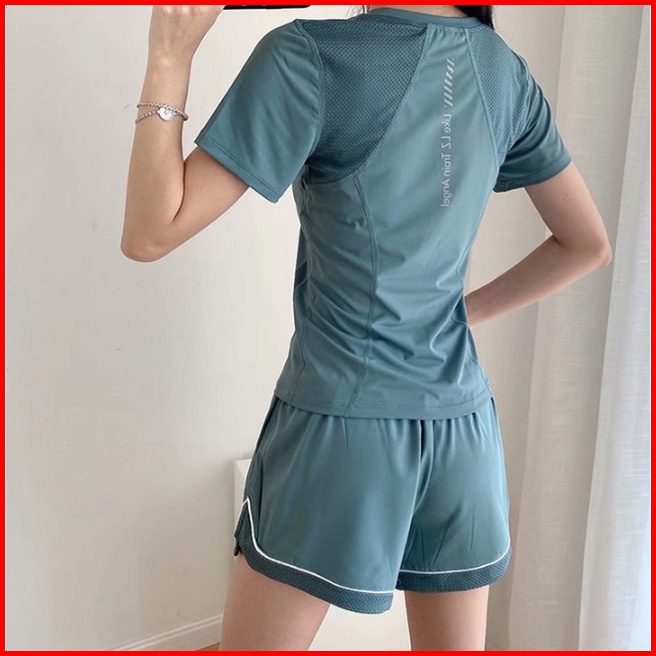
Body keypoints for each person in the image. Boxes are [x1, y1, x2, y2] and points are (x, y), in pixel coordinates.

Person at [122, 4, 612, 651]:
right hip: (464, 435)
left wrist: (170, 54)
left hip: (340, 429)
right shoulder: (505, 71)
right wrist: (459, 315)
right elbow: (587, 244)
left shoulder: (308, 56)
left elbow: (150, 232)